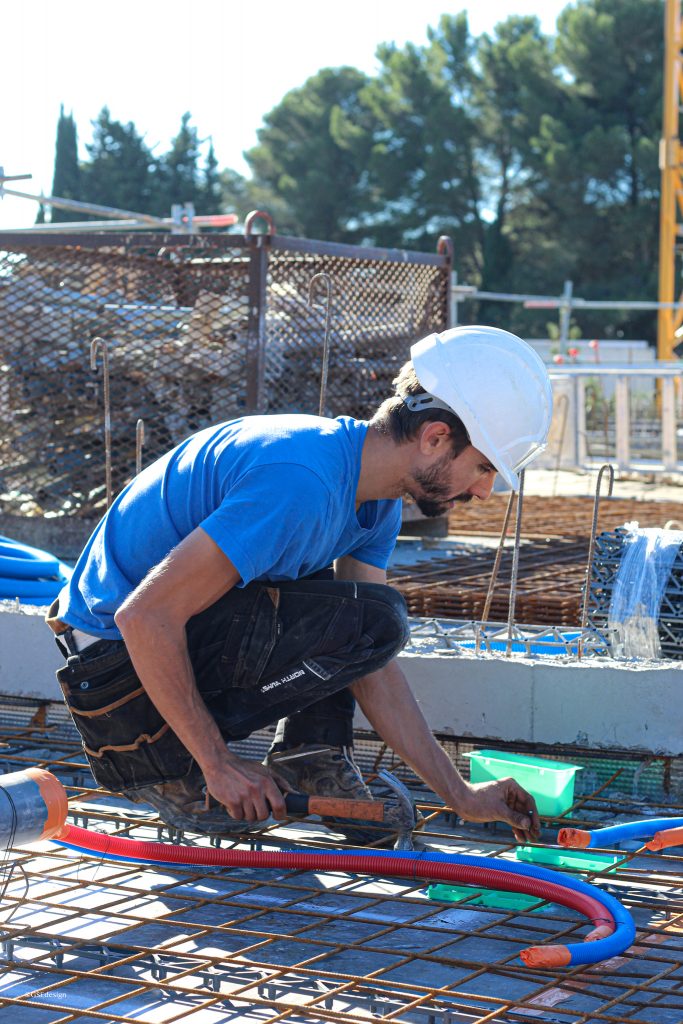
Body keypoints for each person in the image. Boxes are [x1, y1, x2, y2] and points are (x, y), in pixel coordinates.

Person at [47, 325, 553, 844]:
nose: (485, 491)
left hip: (151, 651)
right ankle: (177, 771)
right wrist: (218, 765)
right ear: (435, 438)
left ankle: (310, 752)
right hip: (116, 681)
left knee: (357, 610)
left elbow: (368, 656)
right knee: (370, 613)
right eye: (484, 467)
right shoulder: (300, 481)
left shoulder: (369, 498)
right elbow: (144, 617)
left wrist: (460, 795)